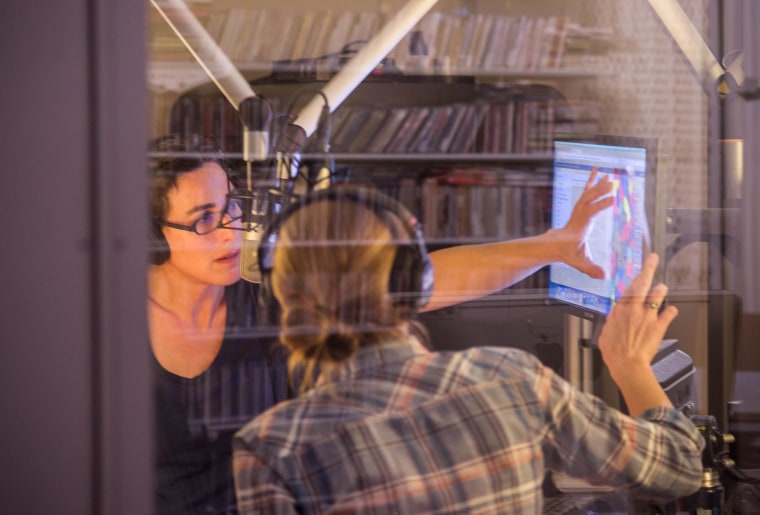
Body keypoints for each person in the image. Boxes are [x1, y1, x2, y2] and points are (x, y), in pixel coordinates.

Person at [148, 134, 615, 514]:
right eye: (205, 219)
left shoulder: (274, 301)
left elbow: (431, 280)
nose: (232, 229)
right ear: (151, 233)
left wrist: (552, 247)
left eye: (231, 205)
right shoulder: (100, 333)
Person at [232, 185, 704, 514]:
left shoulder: (274, 446)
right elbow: (679, 468)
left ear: (286, 297)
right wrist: (630, 365)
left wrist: (551, 246)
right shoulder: (510, 379)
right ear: (413, 278)